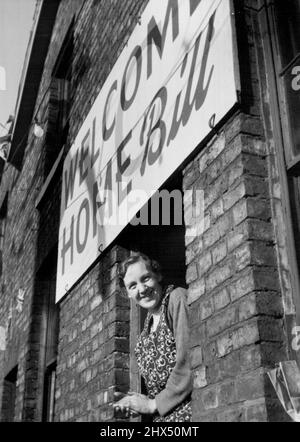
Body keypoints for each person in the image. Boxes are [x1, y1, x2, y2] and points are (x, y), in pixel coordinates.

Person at [113, 252, 193, 422]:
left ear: (158, 275)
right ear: (127, 293)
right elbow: (156, 389)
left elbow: (189, 361)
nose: (142, 289)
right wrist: (138, 402)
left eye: (146, 278)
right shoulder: (145, 331)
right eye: (133, 286)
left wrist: (152, 404)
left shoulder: (176, 299)